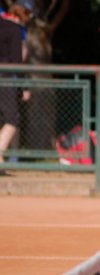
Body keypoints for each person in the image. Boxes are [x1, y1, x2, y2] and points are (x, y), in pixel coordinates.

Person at [0, 7, 22, 165]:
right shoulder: (13, 28)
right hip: (6, 78)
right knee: (12, 119)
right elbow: (17, 62)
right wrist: (24, 86)